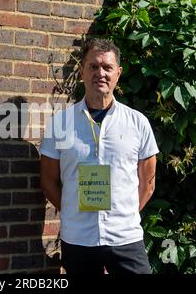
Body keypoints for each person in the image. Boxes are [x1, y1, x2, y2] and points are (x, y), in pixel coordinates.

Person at [39, 38, 159, 274]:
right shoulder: (60, 123)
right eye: (93, 66)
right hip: (78, 238)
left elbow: (148, 183)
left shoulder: (138, 123)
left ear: (118, 73)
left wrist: (123, 214)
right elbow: (48, 181)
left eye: (107, 67)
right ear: (82, 71)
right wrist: (73, 209)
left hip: (125, 237)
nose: (100, 73)